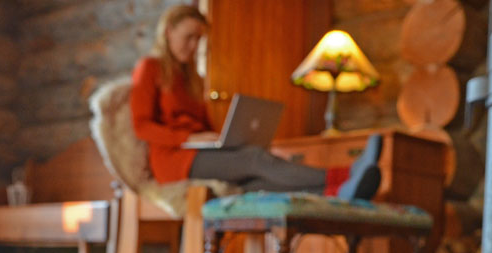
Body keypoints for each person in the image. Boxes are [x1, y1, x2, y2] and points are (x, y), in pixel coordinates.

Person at [130, 4, 381, 200]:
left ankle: (338, 193)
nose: (194, 46)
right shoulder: (149, 68)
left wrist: (223, 140)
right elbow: (141, 127)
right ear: (168, 32)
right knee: (254, 159)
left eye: (199, 39)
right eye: (189, 37)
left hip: (202, 153)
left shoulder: (193, 79)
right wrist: (187, 139)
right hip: (172, 160)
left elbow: (204, 127)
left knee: (255, 185)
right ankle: (346, 174)